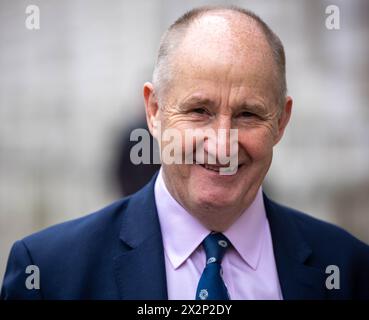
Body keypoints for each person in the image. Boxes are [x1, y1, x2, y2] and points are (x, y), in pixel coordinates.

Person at [1, 5, 369, 300]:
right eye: (199, 111)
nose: (222, 144)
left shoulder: (350, 270)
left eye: (248, 114)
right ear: (154, 111)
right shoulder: (49, 274)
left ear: (281, 121)